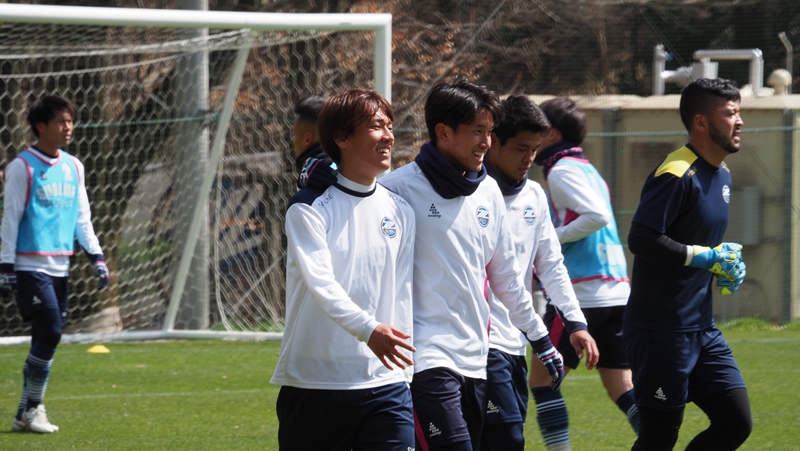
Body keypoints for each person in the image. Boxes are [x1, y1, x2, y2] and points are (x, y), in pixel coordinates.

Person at [378, 77, 596, 451]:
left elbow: (508, 277)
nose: (486, 142)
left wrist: (541, 337)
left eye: (489, 132)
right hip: (424, 358)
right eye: (478, 131)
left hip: (476, 358)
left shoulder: (488, 191)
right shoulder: (396, 190)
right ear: (443, 132)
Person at [270, 88, 417, 451]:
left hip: (386, 382)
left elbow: (401, 294)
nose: (389, 135)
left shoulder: (401, 210)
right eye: (376, 126)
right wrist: (369, 329)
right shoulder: (308, 208)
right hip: (315, 383)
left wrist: (405, 371)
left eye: (389, 125)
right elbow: (321, 284)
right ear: (340, 137)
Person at [625, 78, 751, 450]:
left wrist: (724, 260)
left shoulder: (722, 174)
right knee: (659, 437)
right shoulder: (676, 173)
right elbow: (641, 238)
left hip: (701, 328)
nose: (739, 121)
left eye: (739, 112)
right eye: (730, 113)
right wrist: (704, 257)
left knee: (735, 422)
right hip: (660, 330)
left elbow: (693, 237)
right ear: (701, 122)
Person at [480, 95, 597, 451]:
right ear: (493, 142)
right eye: (521, 148)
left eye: (534, 149)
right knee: (506, 439)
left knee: (505, 436)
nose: (529, 158)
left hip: (517, 340)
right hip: (478, 343)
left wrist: (575, 323)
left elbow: (550, 264)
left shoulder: (534, 194)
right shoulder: (469, 193)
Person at [528, 96, 640, 449]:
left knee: (541, 381)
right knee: (621, 384)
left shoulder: (561, 171)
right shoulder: (587, 168)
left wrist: (550, 239)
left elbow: (596, 217)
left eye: (537, 130)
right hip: (616, 292)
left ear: (552, 134)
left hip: (581, 294)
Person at [1, 95, 109, 434]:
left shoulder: (74, 166)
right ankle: (34, 408)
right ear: (40, 126)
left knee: (43, 338)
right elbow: (10, 219)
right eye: (61, 121)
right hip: (29, 266)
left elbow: (82, 217)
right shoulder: (22, 167)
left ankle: (23, 413)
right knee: (51, 332)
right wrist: (5, 266)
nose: (68, 127)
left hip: (61, 266)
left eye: (70, 121)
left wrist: (97, 257)